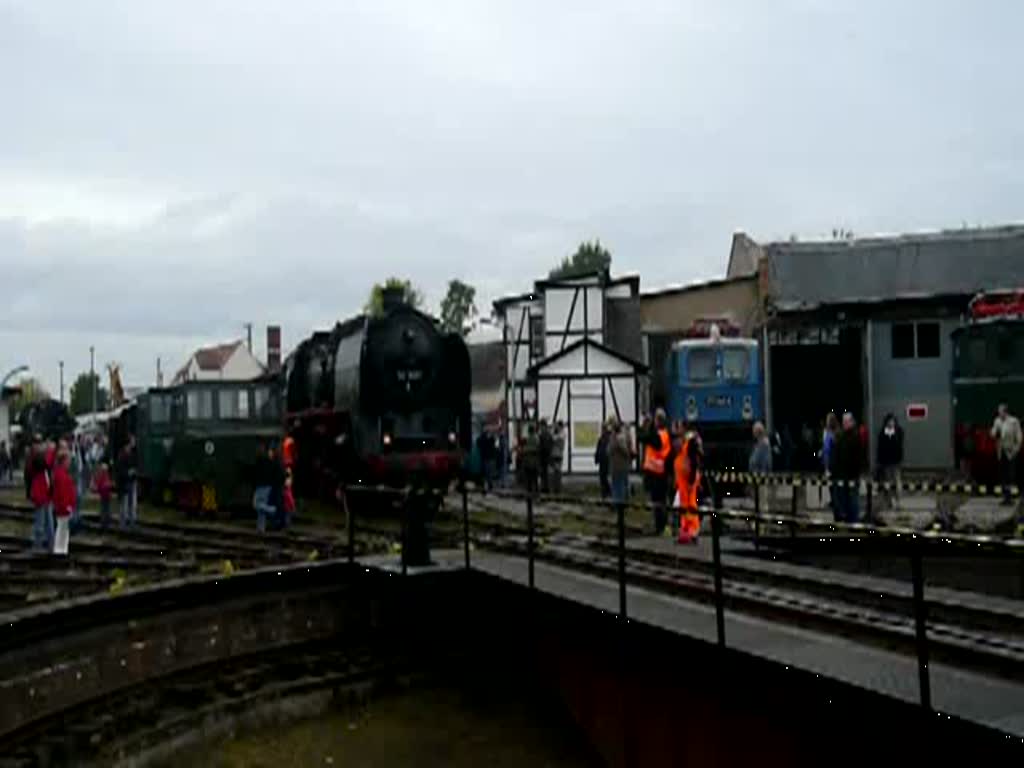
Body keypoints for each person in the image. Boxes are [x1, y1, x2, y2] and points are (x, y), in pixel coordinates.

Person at [641, 410, 671, 535]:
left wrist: (645, 425)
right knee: (661, 502)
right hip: (661, 473)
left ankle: (661, 527)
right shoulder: (664, 434)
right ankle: (661, 526)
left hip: (656, 473)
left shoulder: (657, 437)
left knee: (658, 503)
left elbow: (643, 438)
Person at [832, 413, 863, 523]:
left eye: (847, 421)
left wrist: (856, 473)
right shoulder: (840, 436)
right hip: (841, 474)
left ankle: (853, 520)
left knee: (853, 499)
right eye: (843, 421)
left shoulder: (856, 436)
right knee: (842, 499)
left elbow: (858, 457)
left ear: (852, 422)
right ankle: (844, 518)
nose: (844, 423)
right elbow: (836, 455)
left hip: (852, 475)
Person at [674, 429, 703, 544]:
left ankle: (691, 531)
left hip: (688, 484)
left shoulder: (688, 448)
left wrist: (691, 481)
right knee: (686, 508)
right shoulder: (683, 450)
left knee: (689, 507)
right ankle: (687, 531)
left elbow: (693, 464)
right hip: (685, 485)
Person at [991, 404, 1022, 506]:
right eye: (999, 412)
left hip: (1011, 451)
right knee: (1003, 476)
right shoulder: (997, 421)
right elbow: (993, 433)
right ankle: (1005, 497)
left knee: (1011, 475)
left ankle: (1011, 497)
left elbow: (1019, 437)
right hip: (1001, 451)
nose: (1000, 414)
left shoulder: (1013, 421)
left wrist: (1015, 450)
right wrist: (994, 433)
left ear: (1006, 412)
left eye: (1001, 412)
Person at [876, 413, 905, 511]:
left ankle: (898, 501)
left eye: (892, 421)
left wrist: (893, 436)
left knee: (897, 481)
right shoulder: (882, 433)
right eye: (889, 421)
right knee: (887, 482)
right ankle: (889, 501)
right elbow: (880, 447)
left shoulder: (898, 431)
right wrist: (880, 461)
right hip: (886, 462)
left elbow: (899, 444)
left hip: (896, 461)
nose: (891, 423)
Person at [51, 450, 76, 555]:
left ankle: (61, 550)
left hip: (64, 506)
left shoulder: (61, 473)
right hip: (64, 507)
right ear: (64, 461)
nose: (69, 462)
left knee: (63, 530)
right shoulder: (61, 475)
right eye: (68, 460)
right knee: (62, 529)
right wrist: (67, 506)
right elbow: (62, 492)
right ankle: (60, 550)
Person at [28, 443, 53, 551]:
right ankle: (48, 543)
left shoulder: (36, 472)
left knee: (41, 522)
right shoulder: (43, 471)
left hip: (42, 498)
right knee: (46, 522)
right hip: (45, 497)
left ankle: (39, 544)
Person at [749, 421, 773, 516]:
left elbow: (766, 461)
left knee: (763, 502)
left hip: (761, 477)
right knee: (759, 502)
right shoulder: (759, 444)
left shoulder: (764, 444)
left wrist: (763, 474)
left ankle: (763, 524)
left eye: (754, 431)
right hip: (757, 476)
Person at [608, 419, 632, 507]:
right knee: (621, 484)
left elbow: (609, 451)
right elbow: (626, 450)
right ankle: (621, 502)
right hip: (621, 465)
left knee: (618, 485)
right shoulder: (621, 438)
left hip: (617, 465)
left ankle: (619, 503)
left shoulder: (615, 439)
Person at [116, 438, 138, 528]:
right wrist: (128, 472)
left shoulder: (132, 454)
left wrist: (134, 471)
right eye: (132, 442)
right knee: (124, 504)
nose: (134, 443)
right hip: (124, 482)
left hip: (131, 481)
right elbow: (120, 470)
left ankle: (132, 521)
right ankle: (123, 523)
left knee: (132, 503)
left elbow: (135, 464)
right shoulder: (122, 455)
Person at [93, 461, 114, 529]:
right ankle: (106, 521)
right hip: (106, 493)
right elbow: (104, 484)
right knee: (106, 508)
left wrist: (98, 488)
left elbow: (100, 484)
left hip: (104, 493)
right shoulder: (105, 475)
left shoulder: (103, 475)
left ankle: (104, 522)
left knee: (104, 508)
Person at [520, 425, 540, 494]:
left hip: (531, 461)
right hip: (531, 461)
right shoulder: (533, 438)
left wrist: (526, 450)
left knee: (531, 478)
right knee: (532, 478)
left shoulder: (533, 438)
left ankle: (532, 491)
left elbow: (536, 448)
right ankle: (532, 491)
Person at [594, 422, 612, 499]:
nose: (602, 430)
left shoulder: (608, 438)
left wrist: (597, 458)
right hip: (603, 460)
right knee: (603, 477)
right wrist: (597, 458)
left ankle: (607, 492)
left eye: (603, 428)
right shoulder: (602, 438)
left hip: (606, 460)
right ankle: (605, 493)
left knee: (604, 477)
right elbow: (598, 450)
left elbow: (600, 450)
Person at [550, 421, 565, 495]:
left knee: (557, 471)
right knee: (555, 471)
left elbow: (554, 438)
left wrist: (553, 430)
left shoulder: (561, 434)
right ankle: (556, 487)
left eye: (558, 426)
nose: (557, 428)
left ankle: (557, 488)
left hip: (557, 454)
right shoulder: (560, 433)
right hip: (556, 454)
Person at [538, 420, 553, 494]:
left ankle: (545, 488)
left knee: (544, 473)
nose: (540, 427)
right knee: (545, 473)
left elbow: (542, 446)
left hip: (544, 456)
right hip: (547, 456)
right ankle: (546, 488)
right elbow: (551, 444)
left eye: (541, 426)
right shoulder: (548, 434)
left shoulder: (543, 435)